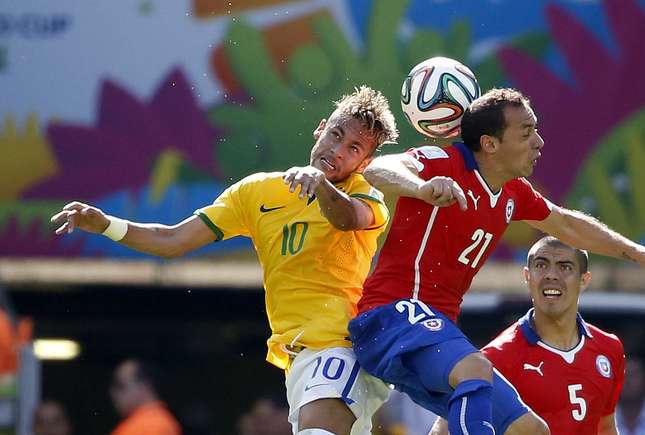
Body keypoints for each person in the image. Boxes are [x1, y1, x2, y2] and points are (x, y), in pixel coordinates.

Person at [348, 88, 645, 435]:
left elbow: (567, 224)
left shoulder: (513, 192)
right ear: (490, 144)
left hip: (432, 332)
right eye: (527, 132)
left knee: (529, 428)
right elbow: (380, 168)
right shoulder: (445, 163)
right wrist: (420, 187)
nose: (539, 142)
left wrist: (643, 254)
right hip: (391, 316)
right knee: (475, 368)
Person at [49, 86, 399, 435]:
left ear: (364, 163)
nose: (338, 151)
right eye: (336, 135)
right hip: (298, 358)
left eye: (353, 149)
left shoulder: (364, 194)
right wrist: (106, 224)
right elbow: (173, 240)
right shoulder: (256, 192)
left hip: (342, 346)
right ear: (320, 128)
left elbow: (346, 218)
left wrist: (320, 185)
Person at [429, 236, 625, 435]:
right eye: (541, 265)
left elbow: (606, 427)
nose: (551, 275)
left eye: (564, 267)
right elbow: (442, 430)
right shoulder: (495, 358)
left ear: (584, 280)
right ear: (527, 276)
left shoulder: (609, 348)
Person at [109, 359, 181, 435]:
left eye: (121, 386)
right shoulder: (148, 422)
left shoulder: (152, 425)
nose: (113, 394)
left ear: (144, 386)